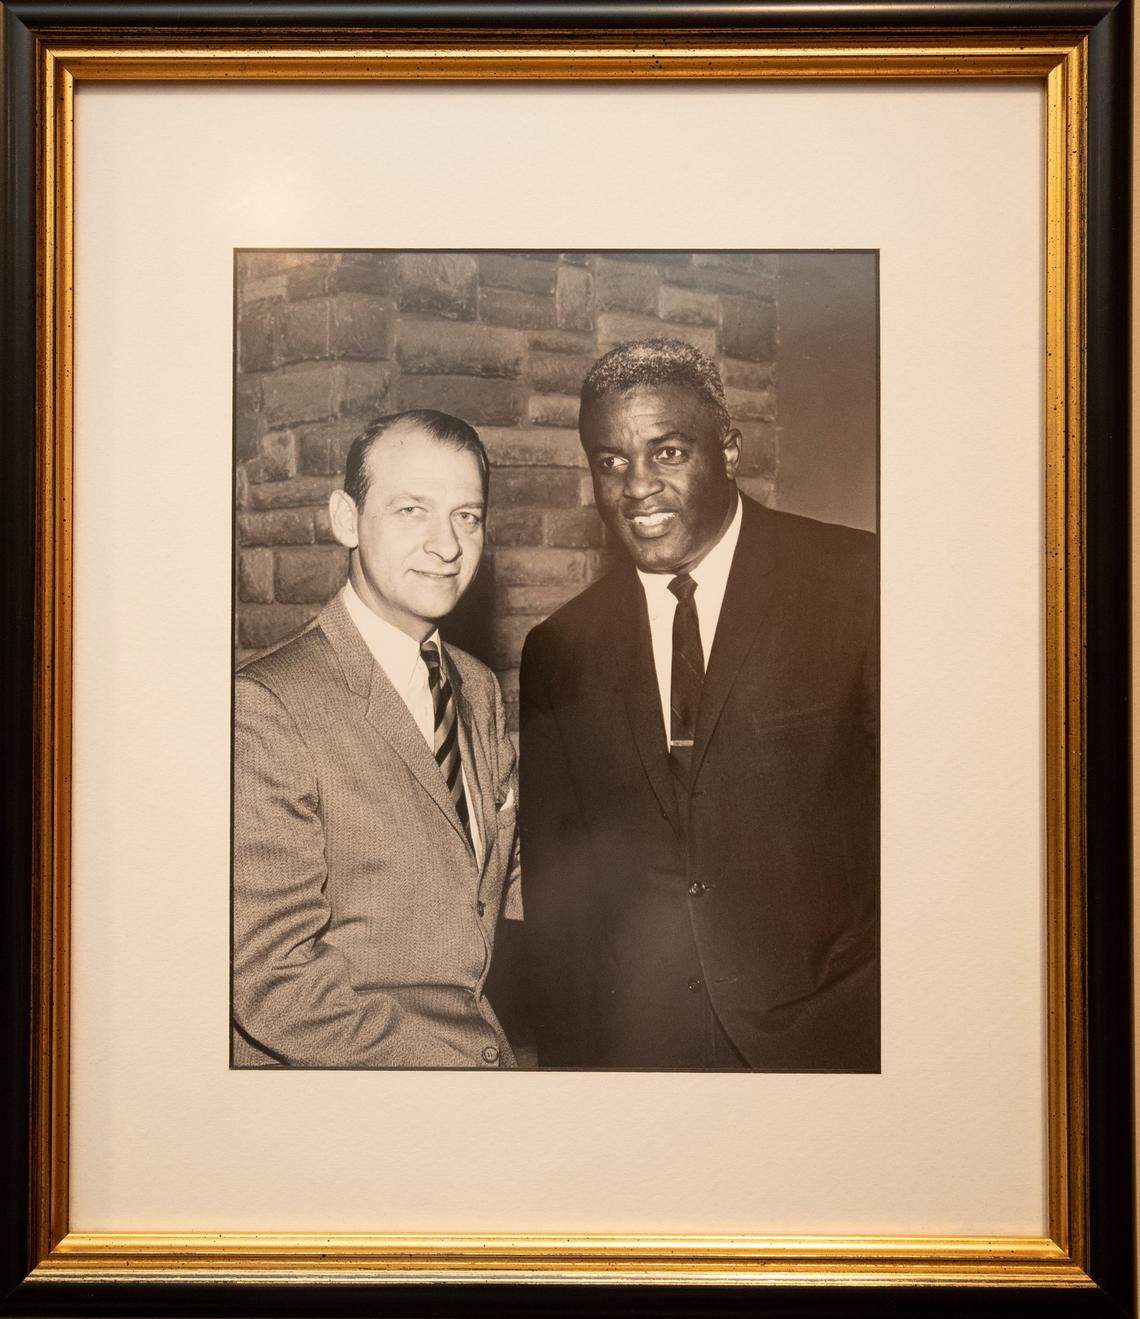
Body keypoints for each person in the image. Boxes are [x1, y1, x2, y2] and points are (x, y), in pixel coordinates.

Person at [519, 339, 878, 1072]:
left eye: (669, 452)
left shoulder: (862, 584)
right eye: (610, 462)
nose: (637, 487)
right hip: (641, 1065)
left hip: (834, 1049)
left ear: (730, 449)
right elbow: (560, 908)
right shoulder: (558, 648)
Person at [232, 410, 520, 1069]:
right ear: (345, 518)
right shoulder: (268, 706)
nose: (447, 544)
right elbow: (272, 979)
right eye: (412, 509)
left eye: (467, 515)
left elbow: (465, 889)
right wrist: (457, 1076)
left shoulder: (474, 686)